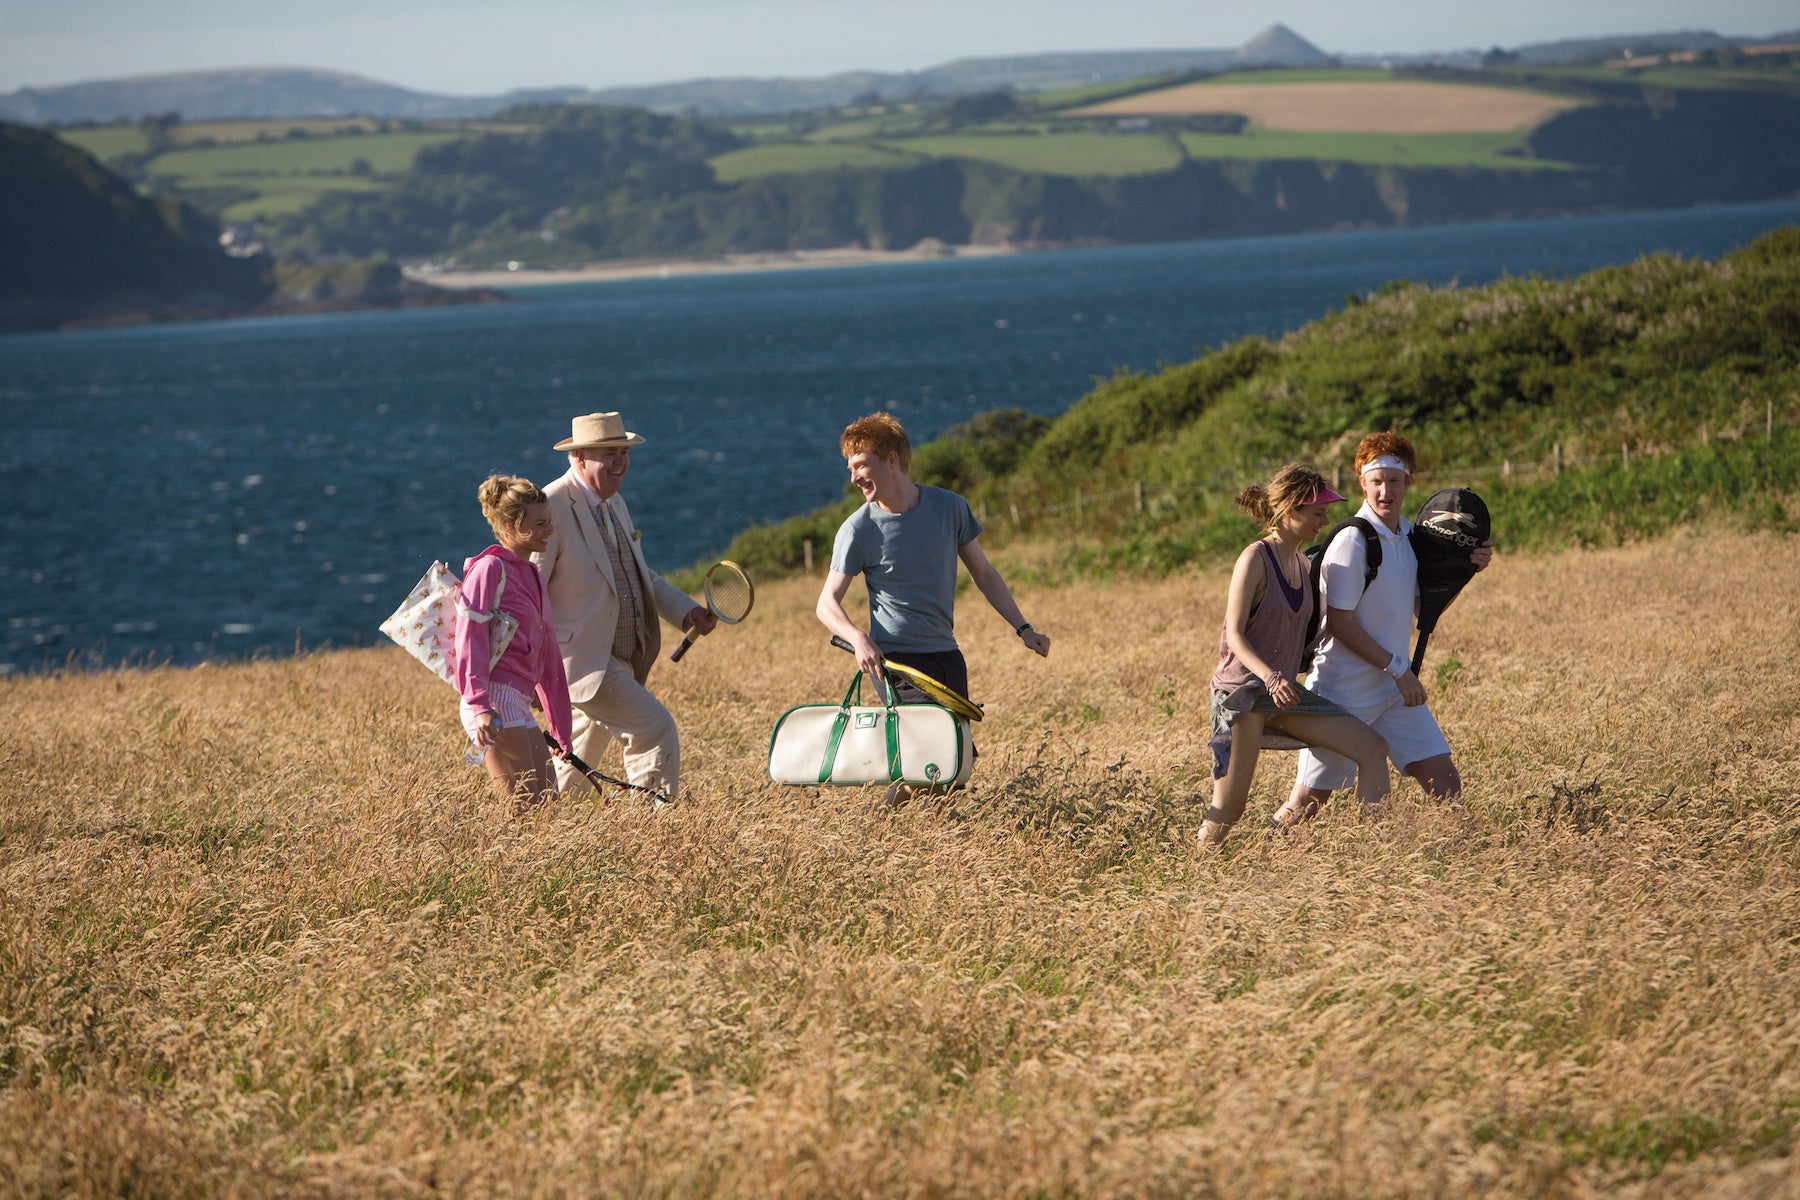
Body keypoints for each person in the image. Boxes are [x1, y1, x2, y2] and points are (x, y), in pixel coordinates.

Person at [815, 413, 1050, 799]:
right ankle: (884, 828)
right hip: (896, 663)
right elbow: (826, 603)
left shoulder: (949, 507)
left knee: (953, 771)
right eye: (850, 468)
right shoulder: (858, 529)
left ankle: (886, 826)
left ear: (892, 460)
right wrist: (858, 638)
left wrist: (1023, 628)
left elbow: (984, 574)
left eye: (860, 465)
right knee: (934, 766)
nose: (853, 477)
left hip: (947, 656)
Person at [1276, 432, 1495, 826]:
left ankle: (1471, 850)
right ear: (1362, 482)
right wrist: (1399, 669)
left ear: (1408, 481)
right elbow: (1340, 623)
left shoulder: (1410, 536)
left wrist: (1465, 573)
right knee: (1308, 802)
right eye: (1376, 481)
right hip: (1343, 690)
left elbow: (1423, 609)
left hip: (1393, 690)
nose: (1385, 491)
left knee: (1446, 784)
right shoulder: (1352, 540)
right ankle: (1257, 854)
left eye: (1394, 481)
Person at [1200, 464, 1392, 847]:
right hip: (1242, 694)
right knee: (1230, 807)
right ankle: (1198, 868)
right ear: (1290, 510)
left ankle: (1377, 853)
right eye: (1318, 512)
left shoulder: (1304, 564)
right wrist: (1270, 676)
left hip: (1283, 694)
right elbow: (1234, 635)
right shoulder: (1254, 559)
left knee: (1373, 748)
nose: (1326, 521)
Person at [534, 412, 716, 801]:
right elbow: (531, 589)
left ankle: (546, 822)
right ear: (579, 457)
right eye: (609, 453)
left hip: (615, 660)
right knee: (654, 729)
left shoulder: (613, 501)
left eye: (624, 452)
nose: (621, 461)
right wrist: (530, 671)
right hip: (582, 664)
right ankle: (652, 825)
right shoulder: (551, 505)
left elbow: (637, 572)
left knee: (576, 761)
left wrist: (686, 612)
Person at [456, 474, 573, 807]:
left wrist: (561, 729)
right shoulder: (489, 569)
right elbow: (470, 640)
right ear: (510, 526)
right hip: (492, 699)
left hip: (517, 700)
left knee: (547, 807)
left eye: (549, 522)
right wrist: (480, 706)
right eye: (539, 524)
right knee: (522, 810)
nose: (549, 530)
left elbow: (549, 655)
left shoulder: (534, 575)